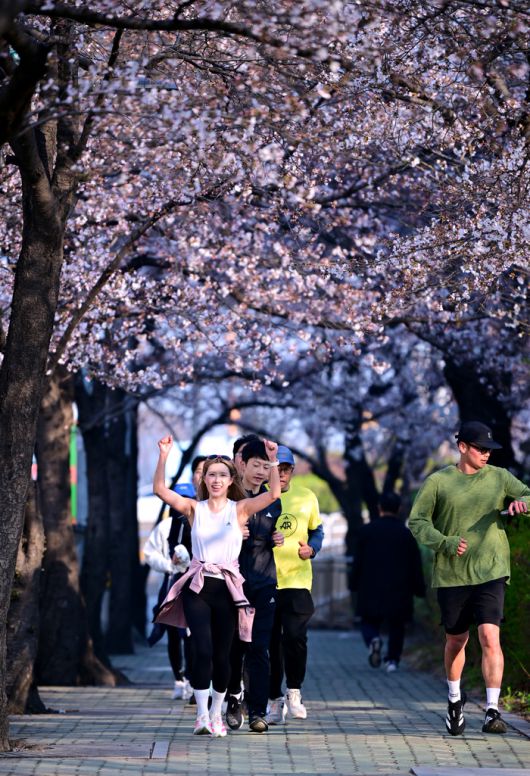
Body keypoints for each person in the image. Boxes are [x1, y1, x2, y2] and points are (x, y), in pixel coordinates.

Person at [153, 436, 281, 738]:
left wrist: (273, 461)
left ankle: (216, 714)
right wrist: (164, 454)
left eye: (223, 475)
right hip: (198, 586)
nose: (216, 480)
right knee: (202, 650)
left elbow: (274, 494)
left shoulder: (240, 509)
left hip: (227, 589)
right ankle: (200, 715)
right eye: (211, 474)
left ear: (230, 479)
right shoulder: (193, 508)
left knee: (223, 655)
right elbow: (160, 490)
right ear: (204, 478)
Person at [409, 421, 529, 736]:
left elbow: (528, 496)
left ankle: (492, 710)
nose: (486, 454)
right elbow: (417, 521)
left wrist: (521, 505)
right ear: (463, 447)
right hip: (452, 575)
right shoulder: (438, 482)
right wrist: (444, 543)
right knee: (456, 639)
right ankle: (454, 699)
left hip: (491, 569)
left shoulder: (500, 478)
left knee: (490, 636)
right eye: (481, 449)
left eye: (490, 450)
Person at [225, 438, 284, 733]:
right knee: (234, 648)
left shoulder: (273, 501)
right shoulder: (228, 499)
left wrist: (276, 538)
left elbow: (274, 525)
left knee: (260, 648)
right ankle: (234, 698)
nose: (261, 471)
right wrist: (232, 534)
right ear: (242, 465)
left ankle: (257, 711)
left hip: (264, 582)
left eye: (266, 466)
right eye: (256, 465)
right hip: (233, 583)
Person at [266, 445, 324, 724]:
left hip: (298, 579)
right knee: (270, 642)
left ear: (292, 470)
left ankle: (294, 691)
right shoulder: (260, 496)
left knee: (296, 638)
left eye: (286, 469)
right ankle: (274, 699)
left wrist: (311, 549)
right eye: (276, 469)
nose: (282, 474)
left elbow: (317, 529)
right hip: (266, 579)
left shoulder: (306, 497)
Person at [143, 456, 206, 701]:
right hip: (171, 585)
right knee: (170, 631)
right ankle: (178, 678)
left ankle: (191, 678)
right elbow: (151, 554)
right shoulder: (166, 526)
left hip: (194, 584)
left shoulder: (199, 519)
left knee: (190, 634)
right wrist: (169, 565)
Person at [350, 491, 425, 673]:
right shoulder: (406, 535)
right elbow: (415, 564)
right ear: (399, 509)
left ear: (379, 508)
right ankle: (392, 661)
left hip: (370, 586)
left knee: (368, 621)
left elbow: (357, 561)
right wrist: (419, 588)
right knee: (396, 625)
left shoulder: (366, 532)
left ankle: (373, 640)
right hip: (400, 588)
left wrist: (353, 583)